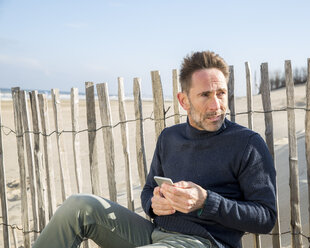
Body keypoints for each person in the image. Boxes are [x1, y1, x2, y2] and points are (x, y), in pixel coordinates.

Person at [33, 51, 277, 248]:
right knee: (79, 206)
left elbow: (266, 217)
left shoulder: (247, 143)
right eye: (205, 95)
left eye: (221, 93)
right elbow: (149, 190)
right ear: (184, 101)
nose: (217, 105)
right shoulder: (169, 138)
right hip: (155, 234)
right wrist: (153, 202)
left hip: (206, 242)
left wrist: (206, 201)